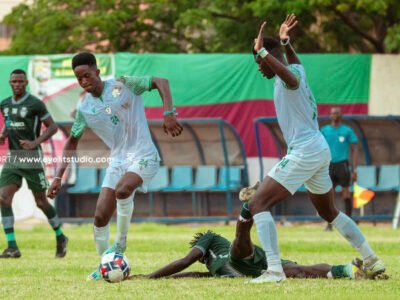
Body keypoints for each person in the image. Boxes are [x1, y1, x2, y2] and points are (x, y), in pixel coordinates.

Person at [248, 14, 385, 283]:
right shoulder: (296, 68)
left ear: (267, 58)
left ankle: (274, 271)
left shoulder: (288, 78)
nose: (259, 68)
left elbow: (290, 78)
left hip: (305, 151)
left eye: (259, 63)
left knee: (257, 203)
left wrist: (263, 51)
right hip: (318, 149)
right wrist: (286, 43)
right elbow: (293, 66)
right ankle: (371, 259)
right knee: (328, 212)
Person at [47, 52, 183, 280]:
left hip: (144, 155)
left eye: (87, 75)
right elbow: (72, 141)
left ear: (97, 72)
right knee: (100, 217)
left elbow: (161, 82)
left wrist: (168, 113)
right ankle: (105, 267)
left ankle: (120, 245)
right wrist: (59, 177)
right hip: (118, 161)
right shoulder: (85, 108)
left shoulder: (124, 84)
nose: (84, 82)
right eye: (79, 78)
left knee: (122, 190)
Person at [143, 203, 365, 280]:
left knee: (238, 246)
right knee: (296, 271)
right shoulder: (214, 270)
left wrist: (149, 276)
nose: (196, 254)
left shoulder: (210, 239)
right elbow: (191, 274)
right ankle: (348, 270)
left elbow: (185, 262)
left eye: (196, 250)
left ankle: (248, 209)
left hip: (242, 257)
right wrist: (164, 277)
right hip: (255, 269)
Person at [0, 69, 68, 258]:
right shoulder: (4, 104)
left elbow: (53, 127)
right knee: (3, 198)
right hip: (13, 157)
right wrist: (4, 135)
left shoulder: (35, 104)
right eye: (14, 81)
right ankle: (12, 246)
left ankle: (61, 236)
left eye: (21, 81)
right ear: (10, 82)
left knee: (41, 201)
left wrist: (35, 143)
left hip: (31, 158)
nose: (17, 84)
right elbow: (9, 121)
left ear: (26, 82)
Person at [321, 107, 359, 231]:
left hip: (343, 164)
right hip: (328, 165)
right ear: (330, 115)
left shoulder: (347, 130)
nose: (335, 115)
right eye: (333, 113)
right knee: (328, 195)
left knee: (346, 193)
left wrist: (354, 169)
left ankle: (348, 223)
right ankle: (329, 224)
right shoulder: (324, 130)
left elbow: (355, 149)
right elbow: (317, 147)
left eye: (337, 113)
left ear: (341, 115)